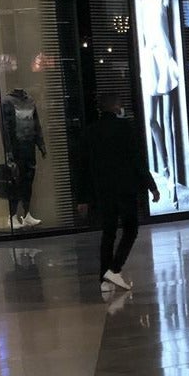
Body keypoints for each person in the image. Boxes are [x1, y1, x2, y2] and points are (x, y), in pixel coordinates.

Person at [76, 93, 161, 291]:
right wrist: (152, 186)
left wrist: (83, 198)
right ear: (115, 107)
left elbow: (83, 167)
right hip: (125, 188)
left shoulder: (90, 132)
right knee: (131, 229)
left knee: (109, 232)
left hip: (103, 190)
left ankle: (104, 279)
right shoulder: (125, 128)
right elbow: (137, 160)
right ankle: (114, 269)